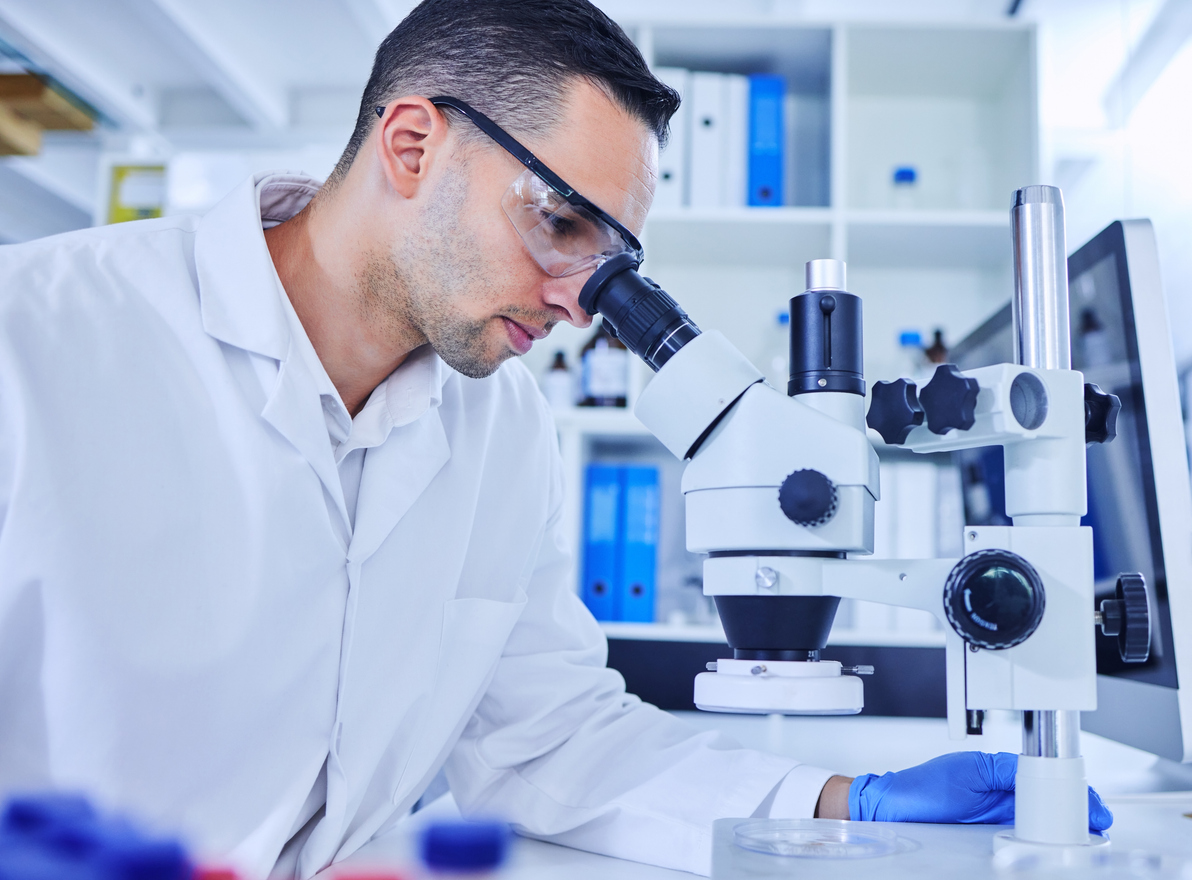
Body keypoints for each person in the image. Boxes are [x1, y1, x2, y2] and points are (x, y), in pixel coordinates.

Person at [0, 1, 1109, 877]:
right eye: (559, 222)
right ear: (411, 144)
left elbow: (545, 737)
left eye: (611, 255)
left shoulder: (503, 424)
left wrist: (838, 801)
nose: (581, 299)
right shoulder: (34, 339)